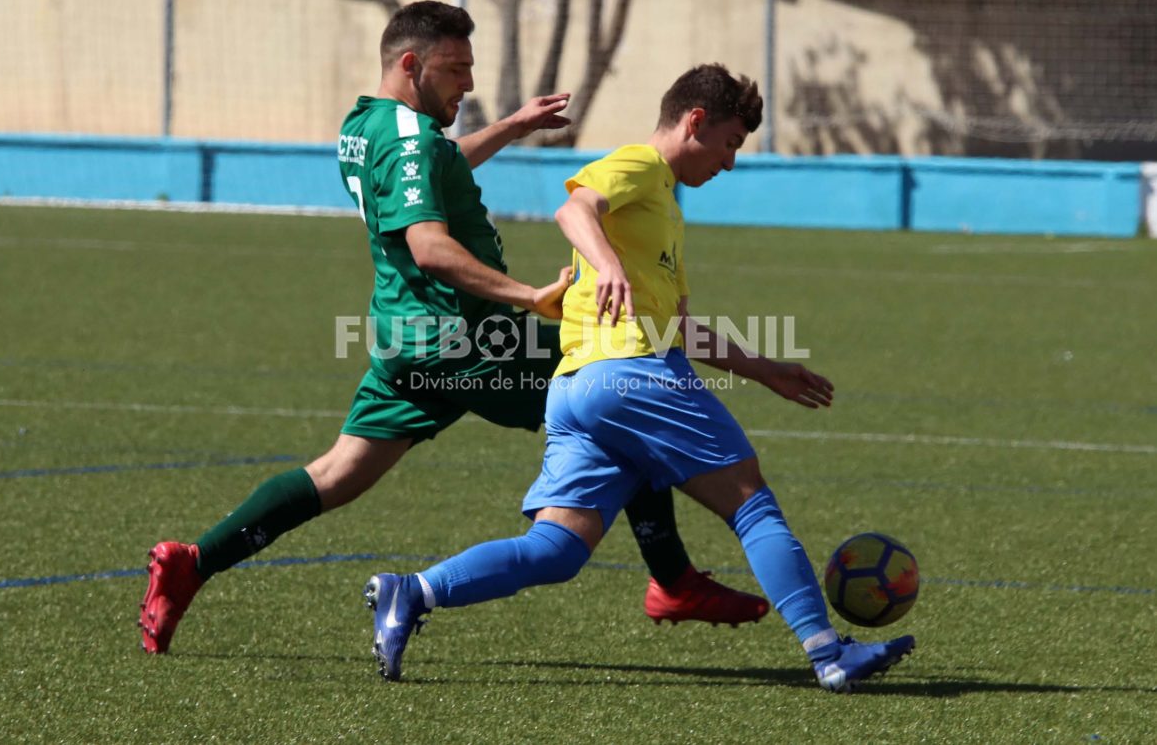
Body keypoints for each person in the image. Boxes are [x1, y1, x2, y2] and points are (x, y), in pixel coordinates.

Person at [138, 2, 768, 655]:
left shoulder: (367, 124)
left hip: (404, 336)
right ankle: (673, 579)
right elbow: (430, 246)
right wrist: (530, 296)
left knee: (338, 473)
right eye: (456, 68)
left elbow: (436, 163)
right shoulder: (410, 137)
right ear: (412, 64)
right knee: (619, 388)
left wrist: (509, 127)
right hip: (461, 337)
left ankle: (193, 561)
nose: (467, 82)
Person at [363, 63, 916, 692]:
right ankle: (829, 653)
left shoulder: (664, 211)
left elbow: (676, 325)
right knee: (748, 500)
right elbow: (574, 210)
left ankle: (412, 591)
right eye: (731, 143)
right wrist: (606, 265)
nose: (731, 163)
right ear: (695, 121)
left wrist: (765, 370)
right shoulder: (642, 165)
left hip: (578, 389)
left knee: (557, 550)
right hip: (630, 375)